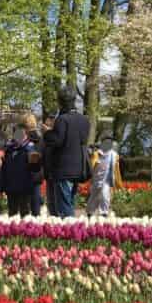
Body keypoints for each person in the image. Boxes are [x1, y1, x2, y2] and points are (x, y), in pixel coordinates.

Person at [41, 85, 90, 217]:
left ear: (60, 101)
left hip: (63, 169)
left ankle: (69, 232)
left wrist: (47, 133)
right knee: (70, 201)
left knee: (64, 206)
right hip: (79, 168)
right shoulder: (84, 120)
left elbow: (56, 141)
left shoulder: (62, 120)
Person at [2, 114, 40, 217]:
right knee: (12, 213)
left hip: (25, 185)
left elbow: (36, 168)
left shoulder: (30, 147)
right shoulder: (9, 149)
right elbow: (4, 168)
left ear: (26, 134)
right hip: (12, 186)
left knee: (25, 212)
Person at [86, 136, 118, 216]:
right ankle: (90, 213)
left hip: (107, 180)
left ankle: (104, 213)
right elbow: (92, 165)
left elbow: (116, 169)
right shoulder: (97, 154)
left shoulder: (114, 155)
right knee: (94, 197)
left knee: (105, 196)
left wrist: (117, 181)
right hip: (96, 179)